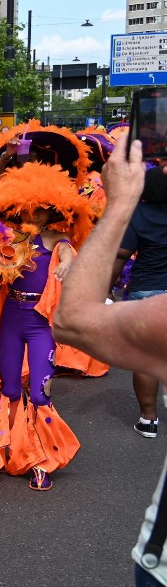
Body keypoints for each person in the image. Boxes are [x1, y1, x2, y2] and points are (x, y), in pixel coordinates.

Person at [53, 133, 167, 587]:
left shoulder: (139, 212)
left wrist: (120, 204)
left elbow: (74, 319)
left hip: (163, 576)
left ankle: (147, 415)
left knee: (149, 359)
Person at [0, 163, 94, 490]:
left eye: (40, 209)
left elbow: (69, 254)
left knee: (41, 394)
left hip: (41, 325)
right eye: (27, 208)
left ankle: (43, 460)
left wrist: (67, 265)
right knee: (10, 390)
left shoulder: (58, 239)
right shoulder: (6, 238)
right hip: (12, 319)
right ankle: (10, 450)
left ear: (50, 208)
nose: (34, 214)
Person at [112, 166, 167, 438]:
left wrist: (105, 288)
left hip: (146, 292)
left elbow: (121, 255)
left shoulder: (139, 215)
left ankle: (148, 419)